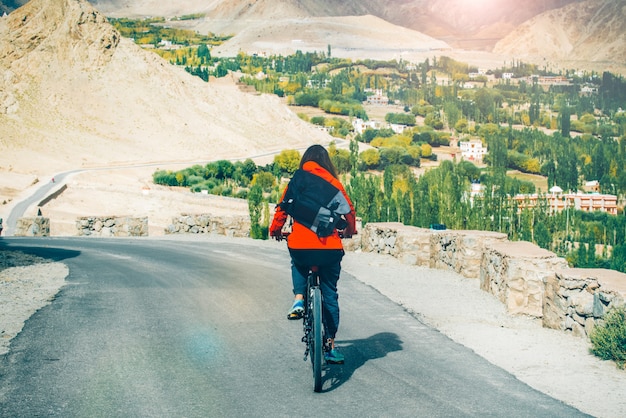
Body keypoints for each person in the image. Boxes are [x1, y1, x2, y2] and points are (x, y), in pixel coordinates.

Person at [270, 144, 356, 364]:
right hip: (330, 250)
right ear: (326, 162)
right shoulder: (334, 183)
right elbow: (349, 211)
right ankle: (330, 346)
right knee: (330, 294)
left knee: (298, 261)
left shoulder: (297, 181)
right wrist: (349, 230)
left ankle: (299, 299)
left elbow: (283, 208)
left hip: (301, 246)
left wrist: (276, 230)